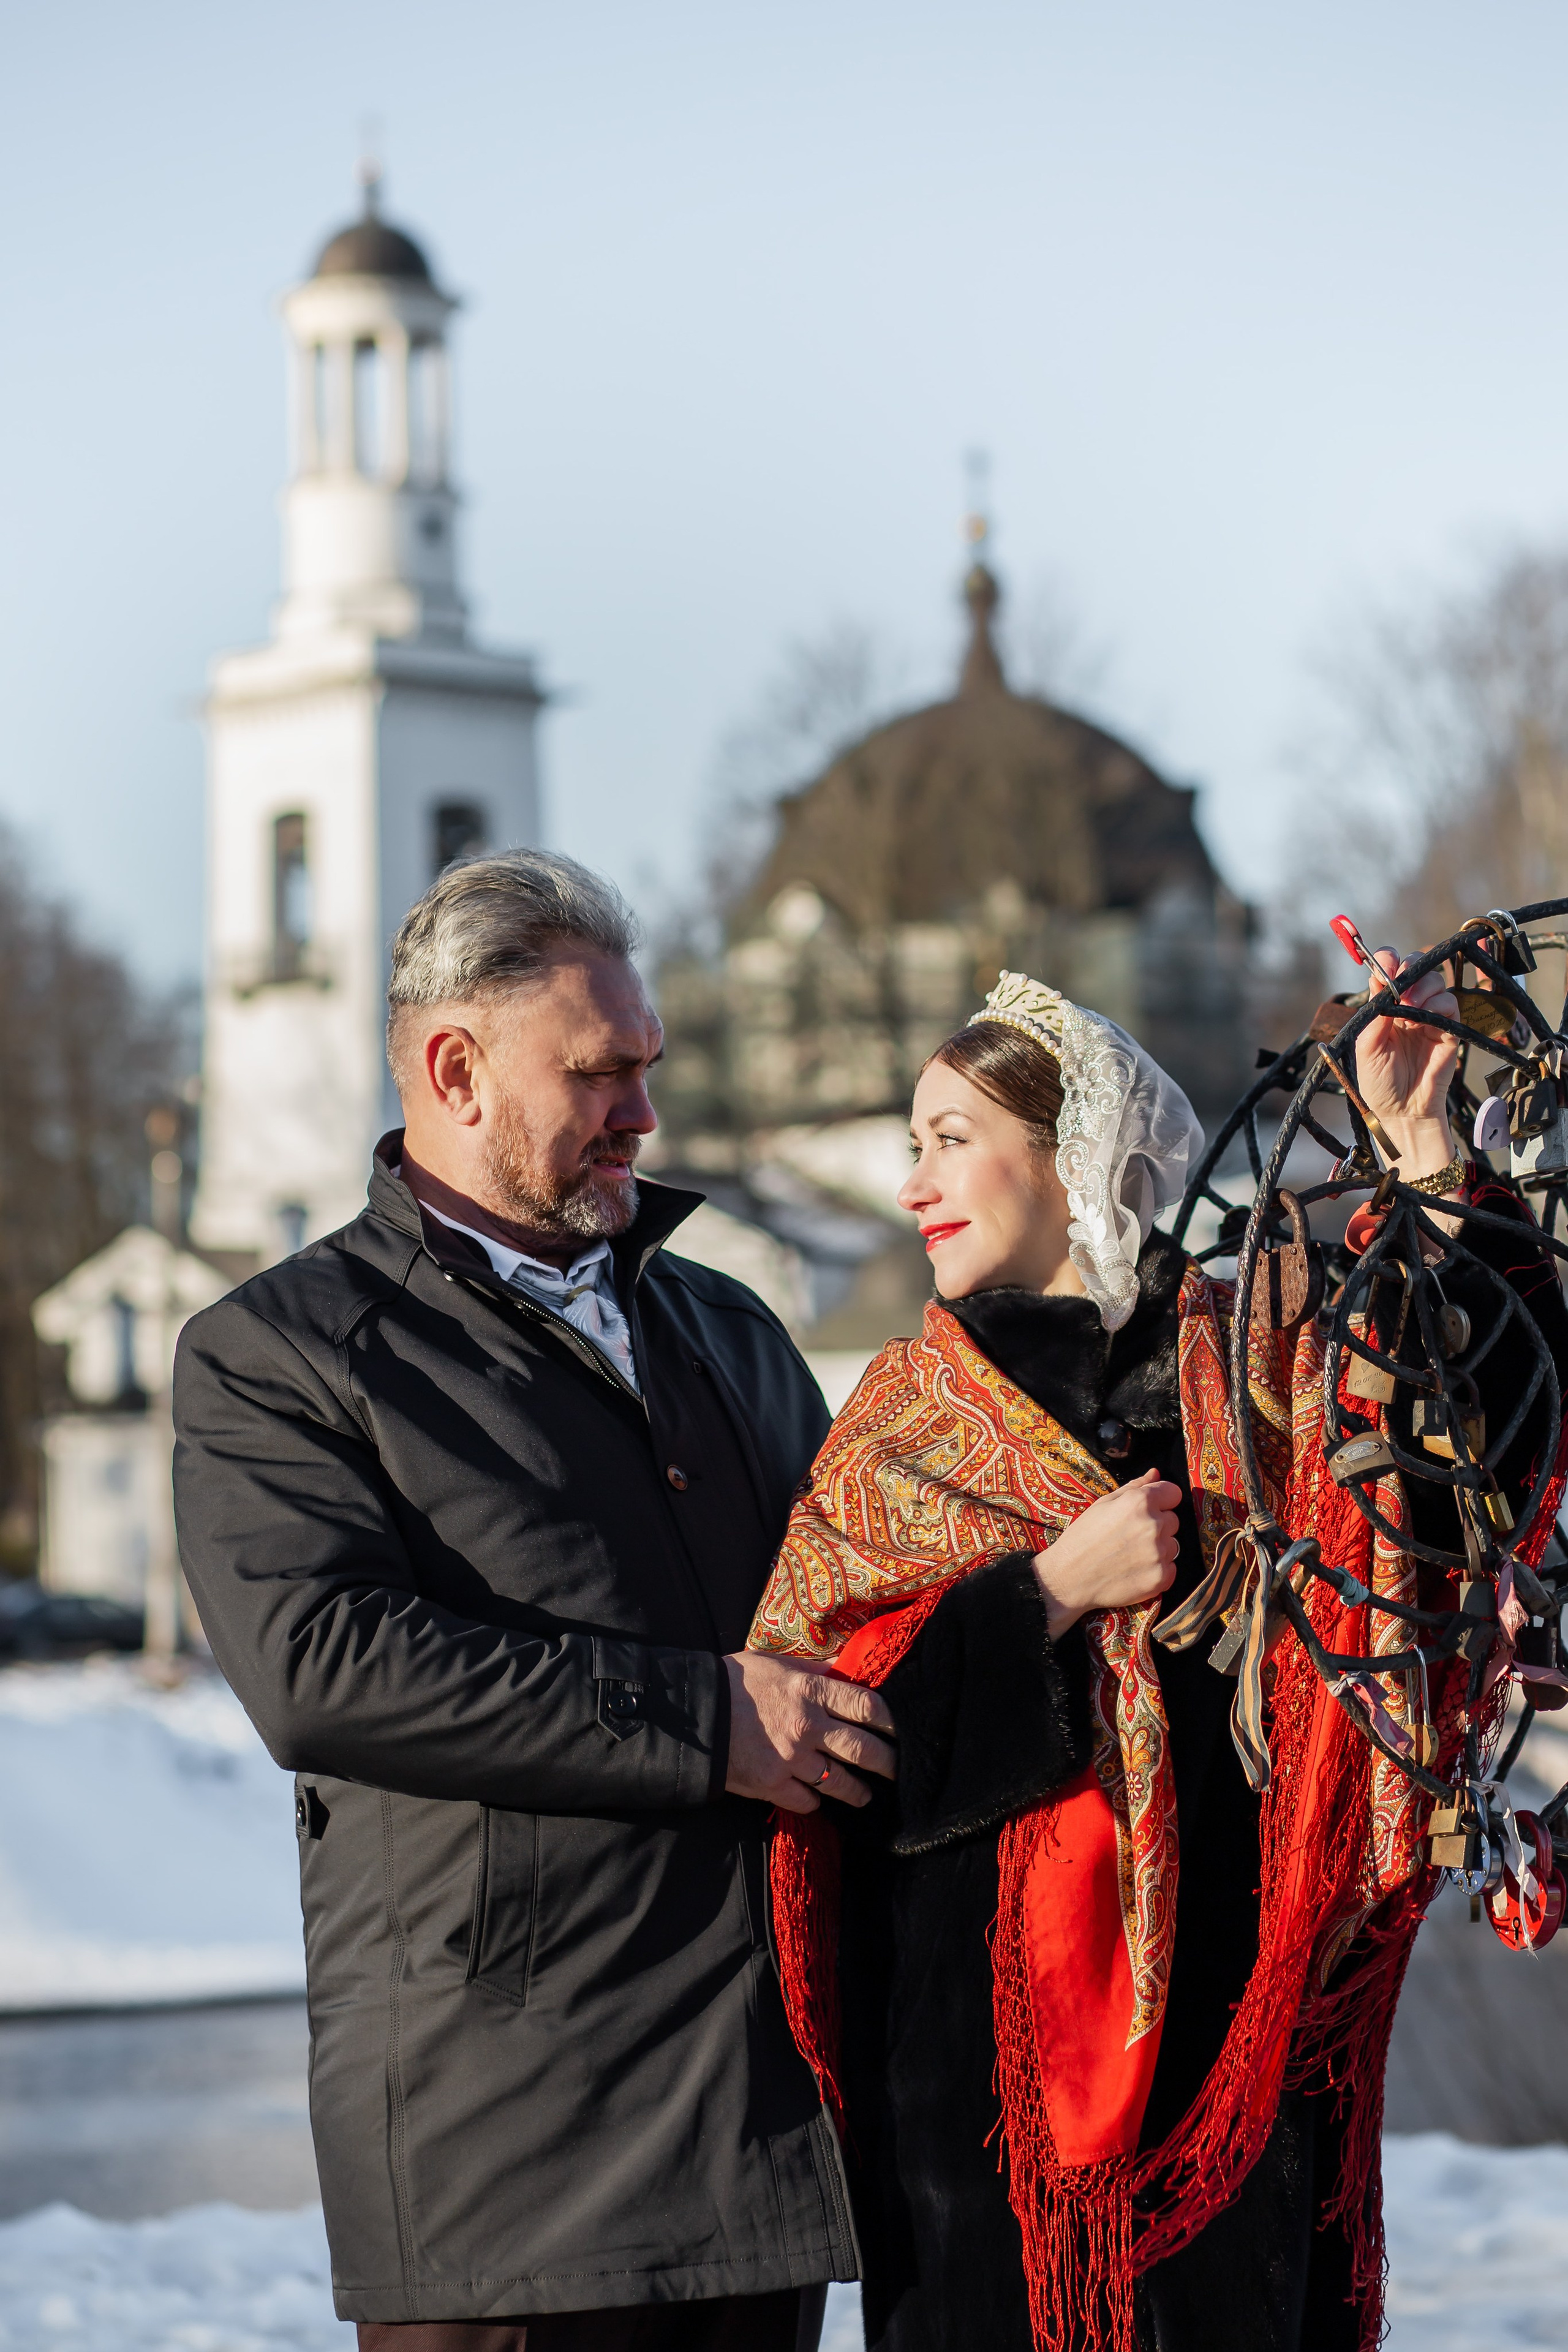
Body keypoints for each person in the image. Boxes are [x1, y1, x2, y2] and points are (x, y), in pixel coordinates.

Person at [746, 962, 1568, 2352]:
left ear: (1073, 1159)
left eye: (949, 1140)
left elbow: (1487, 1452)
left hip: (1242, 2058)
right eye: (910, 1147)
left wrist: (1423, 1145)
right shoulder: (899, 1424)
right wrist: (1045, 1596)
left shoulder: (1257, 1359)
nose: (913, 1185)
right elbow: (822, 1740)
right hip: (979, 2109)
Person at [172, 850, 900, 2351]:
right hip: (507, 2185)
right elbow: (322, 1666)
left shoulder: (727, 1326)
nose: (642, 1111)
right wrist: (707, 1721)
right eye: (598, 1073)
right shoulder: (279, 1356)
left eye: (646, 1067)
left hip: (761, 2149)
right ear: (455, 1069)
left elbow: (861, 1607)